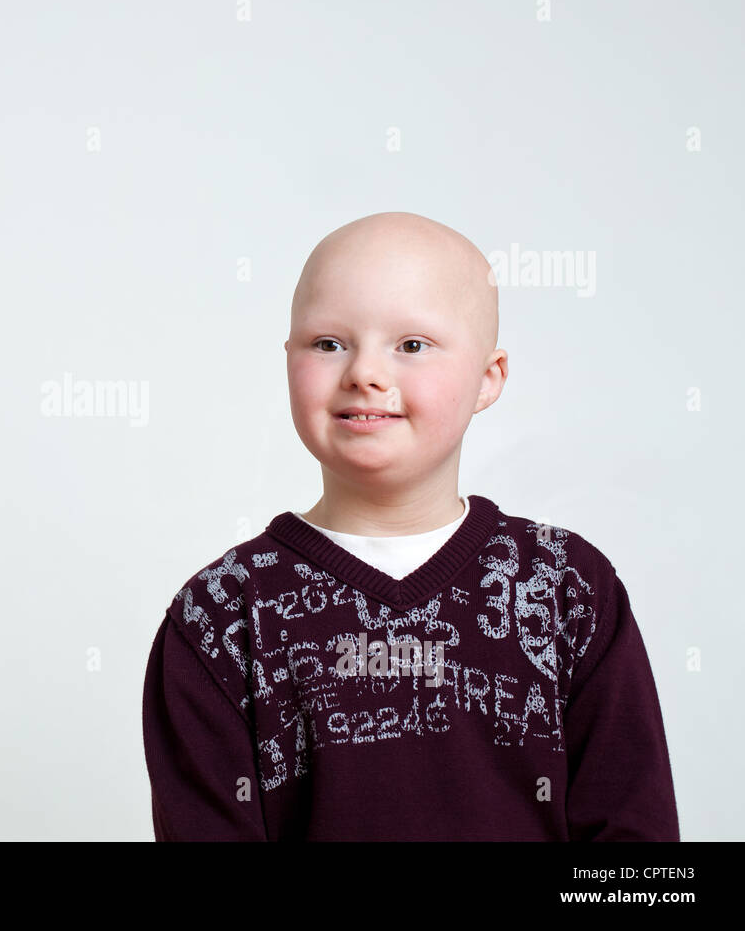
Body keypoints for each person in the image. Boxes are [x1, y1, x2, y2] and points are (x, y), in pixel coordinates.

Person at [141, 211, 679, 840]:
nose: (365, 373)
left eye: (412, 345)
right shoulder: (223, 612)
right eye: (328, 343)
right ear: (288, 360)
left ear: (488, 378)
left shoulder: (564, 588)